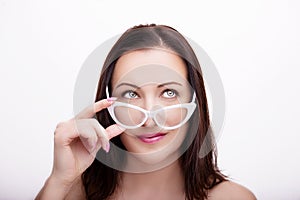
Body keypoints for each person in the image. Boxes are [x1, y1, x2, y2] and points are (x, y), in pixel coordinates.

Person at [36, 24, 256, 200]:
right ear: (108, 105)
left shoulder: (232, 197)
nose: (150, 117)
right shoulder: (72, 194)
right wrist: (59, 181)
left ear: (194, 102)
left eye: (169, 92)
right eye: (131, 94)